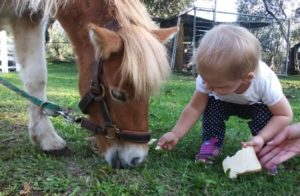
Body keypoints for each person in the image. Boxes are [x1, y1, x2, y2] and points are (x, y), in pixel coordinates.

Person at [157, 24, 293, 164]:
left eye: (216, 85)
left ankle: (263, 149)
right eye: (204, 80)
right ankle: (211, 145)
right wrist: (175, 133)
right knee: (211, 108)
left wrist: (262, 137)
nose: (207, 87)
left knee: (265, 116)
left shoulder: (265, 81)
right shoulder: (208, 79)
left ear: (247, 78)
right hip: (221, 102)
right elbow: (195, 108)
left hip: (256, 105)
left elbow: (284, 115)